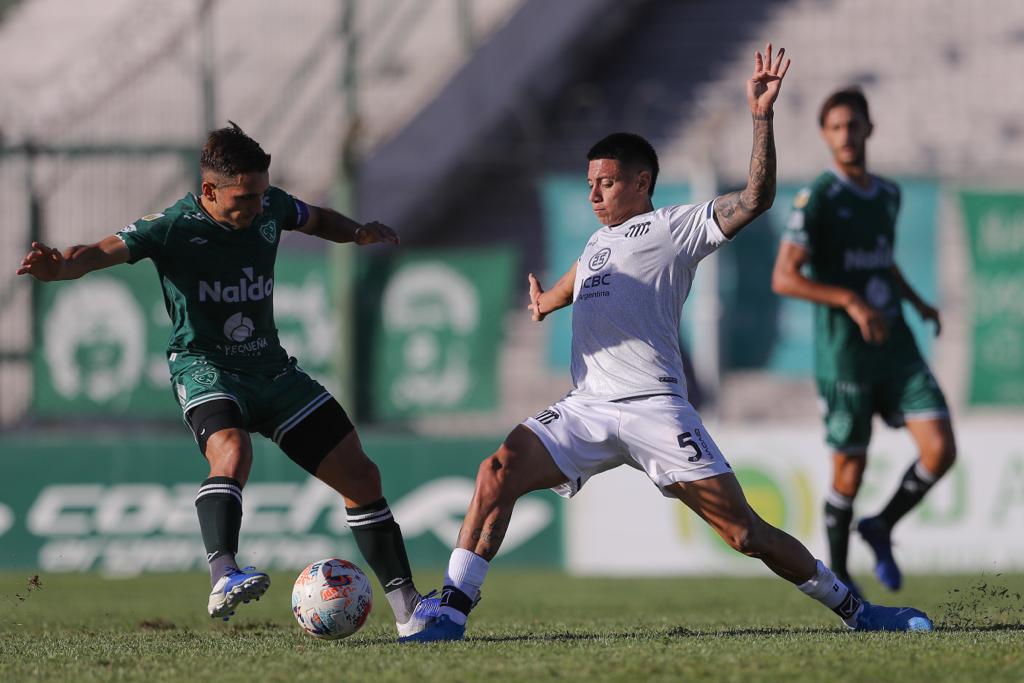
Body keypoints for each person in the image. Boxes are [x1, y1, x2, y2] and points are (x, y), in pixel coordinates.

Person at [403, 45, 933, 643]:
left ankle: (858, 611)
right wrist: (550, 299)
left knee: (745, 534)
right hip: (587, 407)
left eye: (606, 183)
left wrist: (761, 118)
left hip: (655, 407)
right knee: (496, 469)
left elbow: (755, 199)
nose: (594, 195)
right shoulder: (597, 242)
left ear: (642, 182)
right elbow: (586, 272)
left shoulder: (674, 227)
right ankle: (451, 611)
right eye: (589, 184)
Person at [16, 122, 429, 639]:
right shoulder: (172, 226)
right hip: (205, 367)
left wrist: (358, 232)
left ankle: (410, 612)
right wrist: (60, 268)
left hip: (272, 370)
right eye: (245, 197)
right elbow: (100, 251)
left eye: (261, 194)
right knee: (232, 450)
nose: (257, 206)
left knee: (362, 478)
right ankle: (223, 574)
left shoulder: (271, 205)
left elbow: (317, 218)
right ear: (209, 190)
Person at [771, 88, 956, 597]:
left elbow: (882, 259)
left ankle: (880, 525)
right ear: (824, 135)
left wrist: (916, 301)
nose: (846, 135)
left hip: (895, 345)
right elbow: (784, 276)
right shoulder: (819, 198)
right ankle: (840, 578)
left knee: (940, 449)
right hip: (845, 356)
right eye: (836, 127)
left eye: (853, 125)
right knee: (850, 469)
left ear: (869, 129)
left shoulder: (889, 195)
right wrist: (850, 301)